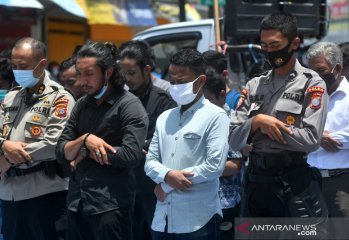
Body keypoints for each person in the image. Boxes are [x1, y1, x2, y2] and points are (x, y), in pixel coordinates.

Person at [229, 12, 329, 221]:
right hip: (256, 185)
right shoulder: (254, 85)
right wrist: (257, 122)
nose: (269, 52)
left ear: (294, 43)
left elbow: (311, 139)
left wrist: (264, 130)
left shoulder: (312, 84)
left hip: (293, 185)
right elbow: (232, 138)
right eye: (264, 46)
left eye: (274, 45)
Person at [56, 41, 149, 240]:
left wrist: (83, 151)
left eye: (89, 74)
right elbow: (61, 151)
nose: (82, 81)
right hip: (76, 204)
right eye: (79, 74)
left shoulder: (129, 105)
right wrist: (85, 139)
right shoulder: (81, 104)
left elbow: (131, 155)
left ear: (108, 72)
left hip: (110, 208)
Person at [144, 49, 229, 240]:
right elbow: (150, 162)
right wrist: (167, 175)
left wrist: (167, 185)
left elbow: (214, 166)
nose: (175, 87)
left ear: (200, 81)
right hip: (163, 219)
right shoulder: (165, 117)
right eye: (172, 82)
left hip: (198, 220)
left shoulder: (215, 116)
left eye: (182, 82)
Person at [0, 37, 75, 240]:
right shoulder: (10, 97)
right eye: (14, 66)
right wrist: (4, 144)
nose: (17, 71)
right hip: (8, 195)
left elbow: (53, 144)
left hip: (45, 195)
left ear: (42, 64)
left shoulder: (60, 97)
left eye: (23, 66)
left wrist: (7, 158)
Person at [118, 40, 176, 240]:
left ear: (147, 69)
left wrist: (135, 146)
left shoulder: (163, 100)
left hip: (154, 189)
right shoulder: (120, 100)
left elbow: (165, 140)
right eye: (123, 73)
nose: (127, 79)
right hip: (126, 189)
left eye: (132, 73)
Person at [306, 42, 349, 218]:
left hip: (343, 184)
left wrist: (311, 139)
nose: (315, 76)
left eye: (320, 70)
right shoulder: (305, 96)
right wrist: (318, 138)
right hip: (309, 182)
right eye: (310, 72)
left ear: (336, 68)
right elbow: (292, 129)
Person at [203, 68, 242, 240]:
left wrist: (200, 169)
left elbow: (234, 165)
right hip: (200, 202)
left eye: (208, 101)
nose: (203, 107)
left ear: (221, 96)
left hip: (225, 203)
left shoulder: (230, 122)